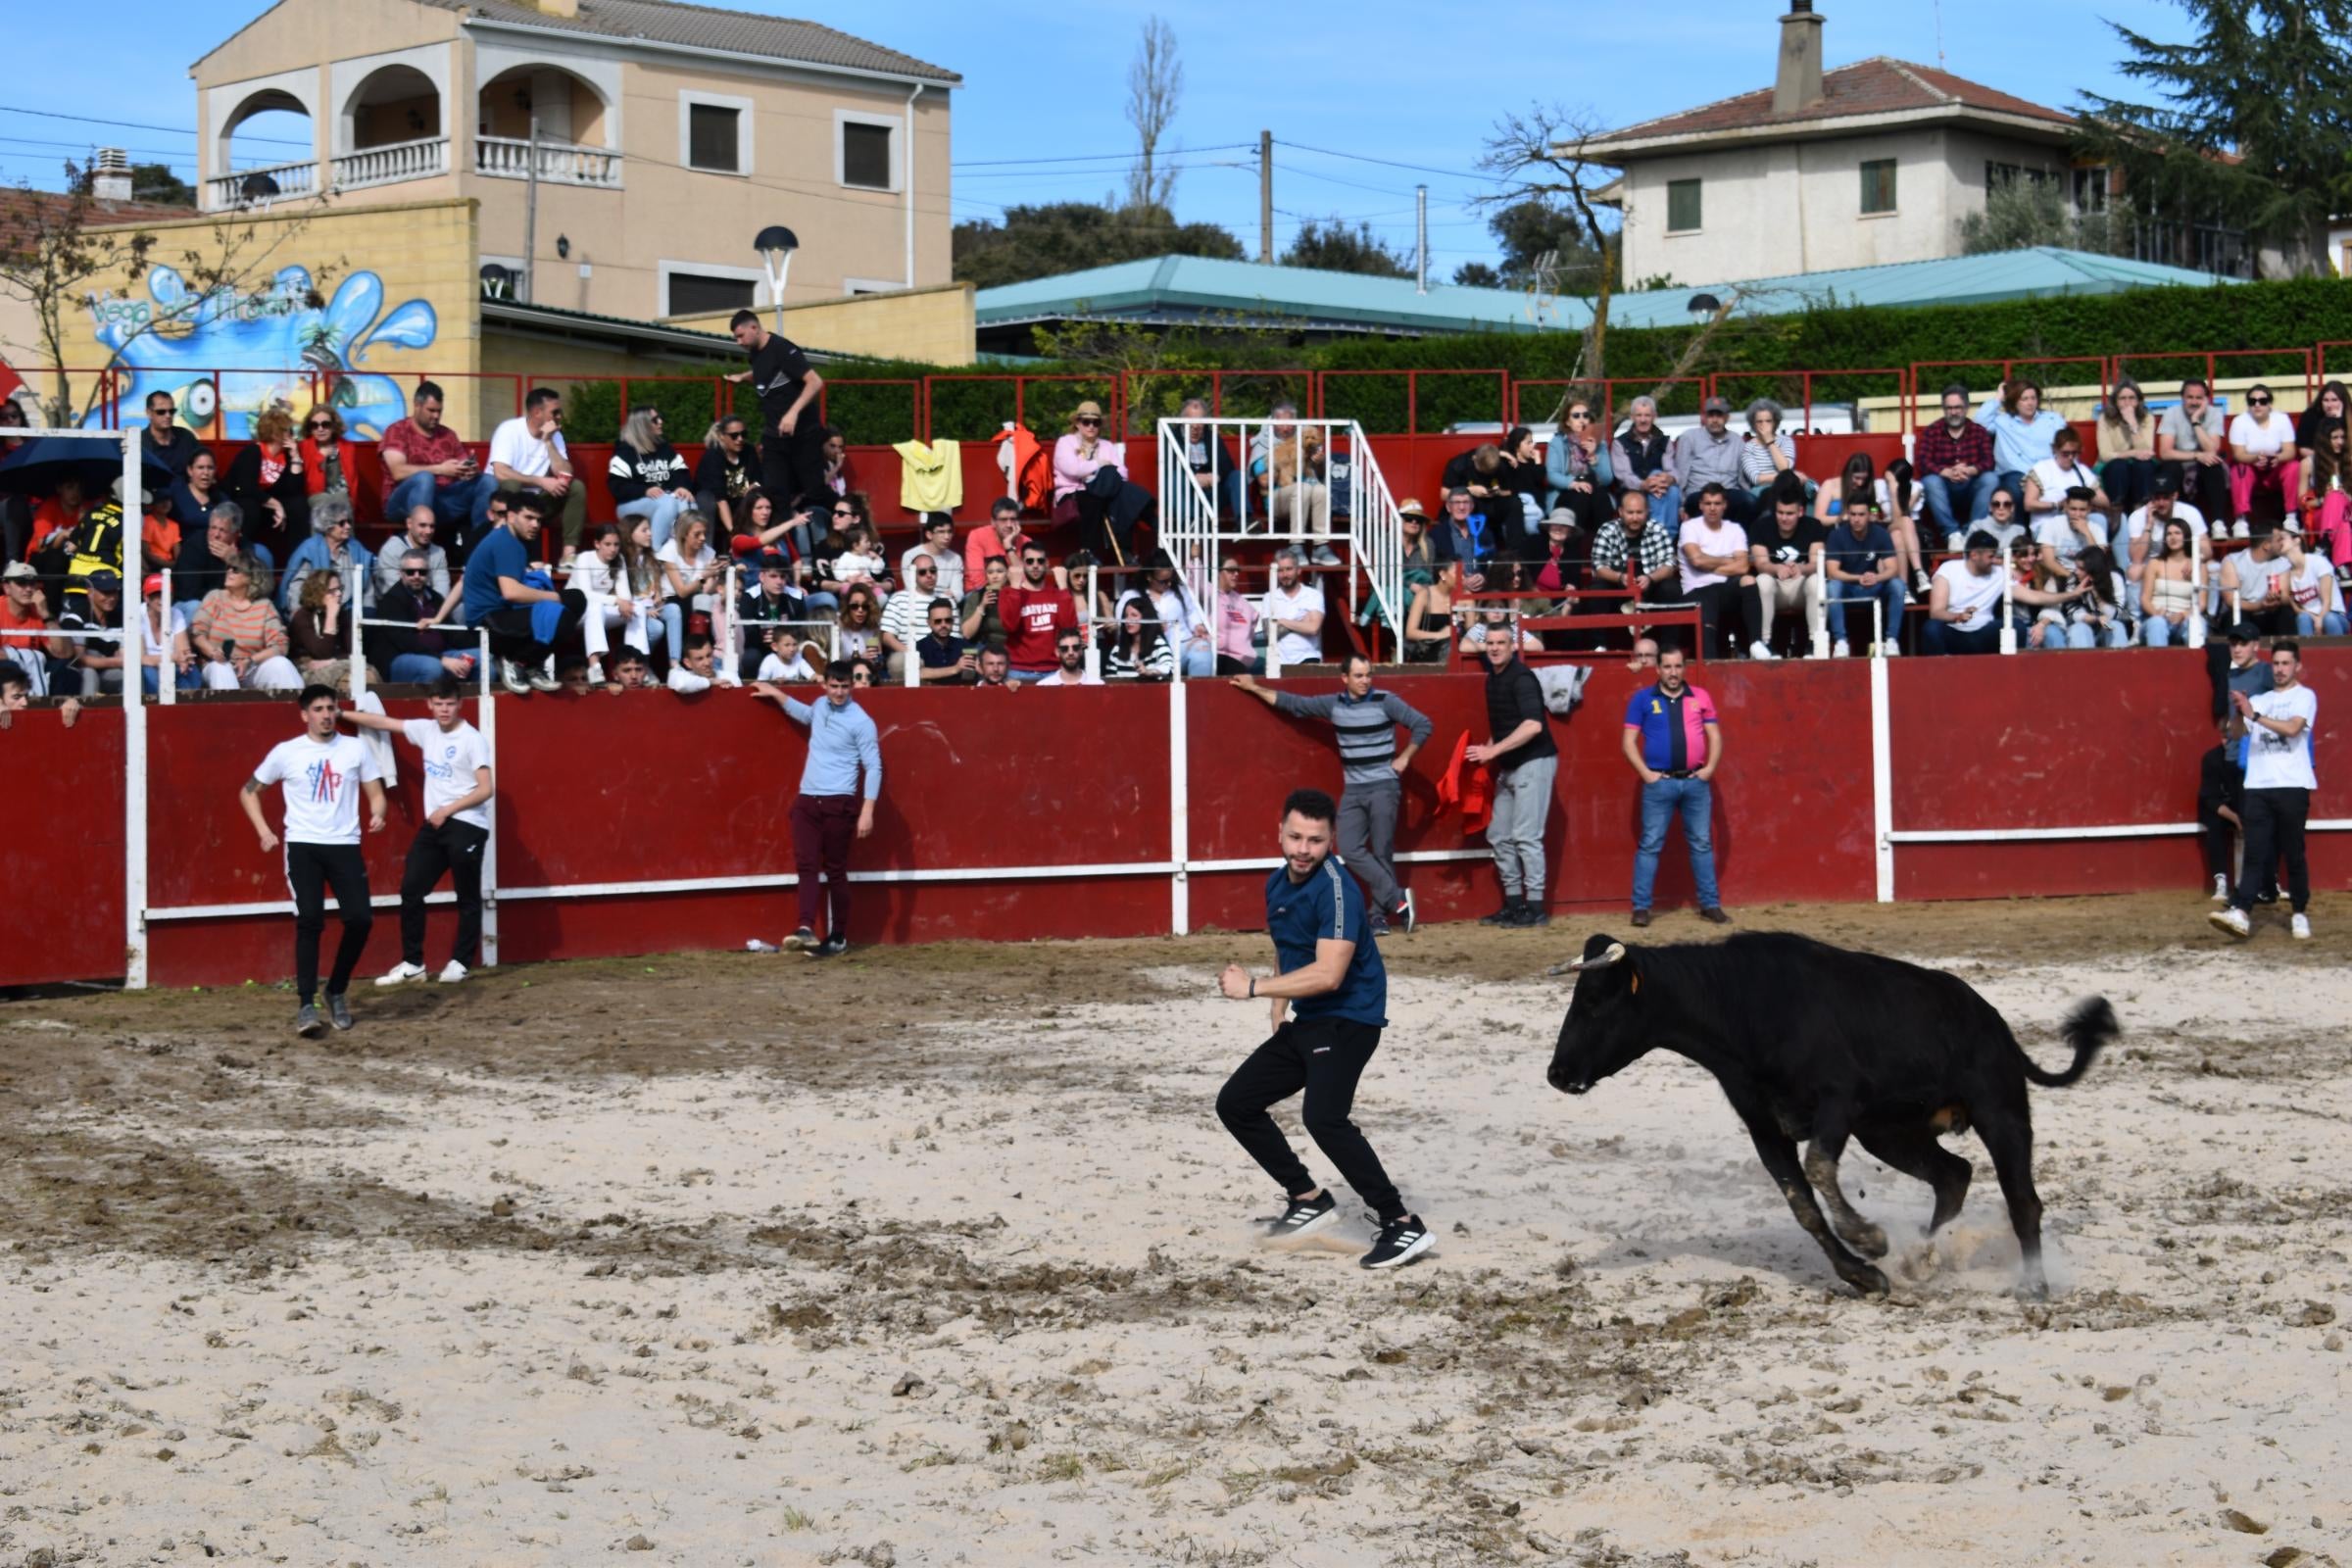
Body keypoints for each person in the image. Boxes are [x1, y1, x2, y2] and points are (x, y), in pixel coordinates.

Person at [1213, 786, 1432, 1271]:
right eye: (1295, 837)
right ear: (1280, 833)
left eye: (1314, 840)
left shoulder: (1338, 890)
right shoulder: (1276, 884)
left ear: (1332, 838)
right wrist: (1276, 1009)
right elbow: (1290, 946)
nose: (1302, 849)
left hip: (1351, 1016)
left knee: (1324, 1118)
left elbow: (1331, 974)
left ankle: (1402, 1223)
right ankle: (1308, 1198)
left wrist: (1253, 988)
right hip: (1309, 1019)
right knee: (1236, 1103)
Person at [1232, 658, 1431, 935]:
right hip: (1354, 789)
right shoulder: (1334, 704)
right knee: (1349, 848)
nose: (1365, 681)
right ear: (1344, 678)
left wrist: (1405, 757)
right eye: (1359, 676)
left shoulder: (1386, 701)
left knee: (1382, 850)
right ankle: (1396, 896)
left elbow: (1422, 724)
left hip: (1384, 785)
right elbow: (1294, 704)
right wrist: (1255, 688)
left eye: (1368, 675)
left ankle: (1378, 916)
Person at [238, 684, 386, 1037]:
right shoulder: (287, 752)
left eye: (330, 708)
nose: (325, 715)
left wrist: (378, 813)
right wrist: (263, 830)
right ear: (304, 714)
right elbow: (248, 792)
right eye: (318, 709)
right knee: (310, 919)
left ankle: (335, 989)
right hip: (303, 845)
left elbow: (376, 794)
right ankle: (306, 1003)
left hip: (344, 843)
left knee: (361, 919)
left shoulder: (355, 749)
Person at [338, 674, 494, 986]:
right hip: (435, 826)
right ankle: (413, 963)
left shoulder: (472, 738)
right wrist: (339, 714)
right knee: (411, 889)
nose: (445, 710)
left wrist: (447, 810)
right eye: (439, 704)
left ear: (460, 705)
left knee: (467, 895)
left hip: (466, 824)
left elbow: (486, 789)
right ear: (430, 705)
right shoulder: (426, 730)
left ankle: (460, 962)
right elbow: (383, 723)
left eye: (450, 704)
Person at [754, 660, 879, 958]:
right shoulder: (821, 706)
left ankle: (838, 937)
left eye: (844, 687)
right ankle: (806, 927)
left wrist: (867, 810)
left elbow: (873, 766)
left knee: (835, 870)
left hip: (840, 801)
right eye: (833, 686)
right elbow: (805, 714)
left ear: (852, 686)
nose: (838, 693)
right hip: (808, 800)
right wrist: (775, 693)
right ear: (825, 684)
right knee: (807, 865)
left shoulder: (861, 721)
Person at [2211, 640, 2318, 941]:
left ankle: (2299, 911)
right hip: (2259, 784)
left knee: (2293, 852)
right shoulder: (2260, 699)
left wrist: (2253, 715)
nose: (2280, 669)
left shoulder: (2305, 696)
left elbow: (2293, 729)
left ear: (2297, 666)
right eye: (2276, 664)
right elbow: (2235, 732)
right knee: (2255, 852)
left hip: (2292, 784)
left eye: (2286, 663)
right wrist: (2238, 711)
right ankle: (2241, 911)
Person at [1623, 644, 1726, 928]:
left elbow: (1715, 737)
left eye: (1678, 666)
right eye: (1667, 667)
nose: (1672, 672)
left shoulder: (1700, 696)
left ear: (1684, 668)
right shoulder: (1642, 699)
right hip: (1660, 783)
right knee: (1650, 845)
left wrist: (1709, 770)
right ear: (1657, 669)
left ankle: (1710, 904)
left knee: (1702, 844)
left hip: (1694, 782)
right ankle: (1641, 908)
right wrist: (1645, 773)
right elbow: (1628, 742)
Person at [1466, 626, 1558, 928]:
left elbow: (1533, 726)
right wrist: (1490, 749)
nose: (1494, 648)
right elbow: (1507, 725)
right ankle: (1515, 903)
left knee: (1526, 836)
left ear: (1512, 646)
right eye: (1489, 643)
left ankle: (1535, 907)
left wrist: (1492, 752)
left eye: (1500, 643)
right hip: (1512, 764)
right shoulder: (1494, 678)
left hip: (1534, 761)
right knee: (1498, 835)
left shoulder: (1521, 678)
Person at [461, 490, 587, 694]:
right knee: (563, 615)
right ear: (511, 516)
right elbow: (511, 592)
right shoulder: (505, 542)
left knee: (575, 600)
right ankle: (516, 661)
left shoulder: (511, 541)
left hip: (503, 612)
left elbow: (466, 581)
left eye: (538, 519)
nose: (535, 525)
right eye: (529, 518)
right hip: (489, 621)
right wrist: (554, 598)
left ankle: (529, 664)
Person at [727, 308, 826, 505]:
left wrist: (792, 413)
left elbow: (815, 382)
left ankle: (851, 517)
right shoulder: (755, 354)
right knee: (774, 492)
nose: (739, 342)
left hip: (803, 434)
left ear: (754, 327)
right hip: (775, 436)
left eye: (741, 336)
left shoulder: (782, 349)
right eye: (736, 338)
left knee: (814, 492)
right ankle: (779, 535)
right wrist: (743, 377)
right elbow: (768, 375)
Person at [381, 381, 496, 550]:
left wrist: (468, 470)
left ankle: (482, 548)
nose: (436, 416)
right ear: (417, 406)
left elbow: (460, 463)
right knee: (424, 480)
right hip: (401, 502)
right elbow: (397, 471)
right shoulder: (397, 431)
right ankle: (420, 552)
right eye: (431, 410)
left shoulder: (448, 435)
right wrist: (440, 469)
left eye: (439, 411)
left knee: (487, 481)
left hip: (443, 501)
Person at [490, 387, 587, 559]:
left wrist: (548, 442)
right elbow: (500, 472)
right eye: (555, 412)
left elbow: (565, 473)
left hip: (540, 502)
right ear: (537, 412)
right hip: (512, 500)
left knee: (576, 487)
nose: (559, 417)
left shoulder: (555, 435)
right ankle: (508, 549)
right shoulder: (509, 430)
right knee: (511, 485)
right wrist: (541, 481)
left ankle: (569, 555)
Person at [191, 552, 303, 690]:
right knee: (222, 668)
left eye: (236, 569)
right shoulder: (215, 597)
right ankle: (232, 711)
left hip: (251, 667)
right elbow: (197, 633)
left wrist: (250, 661)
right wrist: (213, 652)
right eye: (228, 568)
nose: (229, 571)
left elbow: (280, 645)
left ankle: (297, 710)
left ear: (251, 577)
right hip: (216, 663)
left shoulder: (264, 605)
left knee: (281, 664)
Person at [375, 549, 477, 685]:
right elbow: (405, 642)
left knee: (485, 658)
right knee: (433, 667)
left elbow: (453, 633)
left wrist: (480, 646)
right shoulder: (391, 601)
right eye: (410, 572)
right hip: (403, 657)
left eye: (422, 572)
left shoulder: (435, 598)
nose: (416, 576)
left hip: (440, 654)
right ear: (401, 573)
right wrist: (442, 660)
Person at [1745, 490, 1826, 660]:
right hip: (1776, 586)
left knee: (1816, 581)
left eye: (1790, 513)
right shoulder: (1761, 526)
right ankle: (1765, 643)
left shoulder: (1813, 526)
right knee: (1762, 580)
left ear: (1800, 512)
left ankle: (1814, 643)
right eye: (1780, 512)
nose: (1784, 518)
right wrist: (1777, 569)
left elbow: (1817, 563)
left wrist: (1801, 569)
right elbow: (1760, 564)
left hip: (1800, 585)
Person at [225, 406, 310, 564]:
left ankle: (298, 561)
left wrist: (296, 456)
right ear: (275, 433)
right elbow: (246, 488)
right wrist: (276, 505)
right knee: (250, 506)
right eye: (288, 430)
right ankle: (241, 558)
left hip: (269, 508)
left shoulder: (287, 457)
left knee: (299, 504)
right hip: (249, 503)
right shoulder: (253, 452)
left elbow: (295, 490)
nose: (292, 435)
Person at [1916, 381, 1999, 541]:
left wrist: (1970, 470)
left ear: (1966, 408)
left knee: (1991, 479)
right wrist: (1946, 472)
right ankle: (1952, 534)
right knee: (1930, 481)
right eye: (1949, 408)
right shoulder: (1932, 431)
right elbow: (1923, 462)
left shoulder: (1979, 432)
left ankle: (1971, 532)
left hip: (1971, 487)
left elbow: (1989, 461)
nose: (1953, 412)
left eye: (1958, 407)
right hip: (1943, 488)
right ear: (1944, 409)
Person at [607, 406, 697, 550]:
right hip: (631, 503)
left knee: (688, 504)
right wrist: (645, 491)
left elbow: (681, 472)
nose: (660, 422)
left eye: (660, 418)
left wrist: (682, 487)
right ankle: (657, 552)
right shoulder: (625, 452)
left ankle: (687, 554)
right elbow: (617, 486)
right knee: (668, 503)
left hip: (666, 498)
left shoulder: (665, 448)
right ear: (642, 425)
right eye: (655, 420)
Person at [1678, 483, 1751, 659]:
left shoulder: (1735, 529)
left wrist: (1710, 563)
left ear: (1725, 505)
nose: (1712, 508)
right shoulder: (1689, 527)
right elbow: (1697, 560)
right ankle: (1708, 662)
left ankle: (1754, 646)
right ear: (1701, 505)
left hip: (1725, 588)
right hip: (1696, 589)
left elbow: (1743, 566)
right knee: (1709, 596)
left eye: (1717, 503)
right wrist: (1727, 560)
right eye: (1708, 503)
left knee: (1749, 582)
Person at [1822, 501, 1904, 657]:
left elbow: (1893, 569)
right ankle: (1841, 642)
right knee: (1832, 586)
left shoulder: (1880, 533)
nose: (1856, 519)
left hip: (1873, 586)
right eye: (1853, 514)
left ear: (1869, 516)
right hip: (1848, 587)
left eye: (1861, 514)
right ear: (1847, 515)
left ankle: (1892, 641)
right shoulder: (1837, 535)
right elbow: (1832, 572)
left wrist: (1876, 577)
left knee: (1898, 585)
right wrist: (1858, 578)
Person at [1591, 489, 1678, 632]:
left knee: (1670, 588)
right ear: (1620, 512)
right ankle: (1600, 647)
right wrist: (1620, 577)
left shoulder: (1657, 529)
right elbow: (1599, 567)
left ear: (1647, 512)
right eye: (1630, 513)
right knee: (1598, 589)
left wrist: (1650, 578)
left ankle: (1667, 647)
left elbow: (1669, 564)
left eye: (1639, 512)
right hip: (1618, 585)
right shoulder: (1607, 530)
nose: (1635, 518)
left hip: (1649, 584)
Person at [2157, 378, 2233, 533]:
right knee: (2170, 468)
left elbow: (2212, 450)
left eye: (2199, 398)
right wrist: (2197, 455)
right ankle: (2173, 524)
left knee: (2213, 465)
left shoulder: (2214, 414)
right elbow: (2165, 452)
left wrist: (2195, 421)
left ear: (2205, 399)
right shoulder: (2171, 414)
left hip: (2202, 468)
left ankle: (2218, 522)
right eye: (2190, 397)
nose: (2194, 402)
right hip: (2180, 464)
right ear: (2182, 398)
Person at [278, 494, 373, 614]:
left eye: (349, 521)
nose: (348, 526)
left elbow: (368, 589)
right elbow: (296, 588)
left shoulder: (356, 549)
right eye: (342, 523)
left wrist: (368, 613)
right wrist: (299, 617)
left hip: (351, 614)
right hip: (317, 613)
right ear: (328, 526)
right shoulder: (310, 549)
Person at [1976, 377, 2066, 502]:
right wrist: (1999, 396)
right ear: (2015, 401)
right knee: (2015, 492)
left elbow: (2067, 445)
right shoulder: (2003, 421)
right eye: (2024, 399)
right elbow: (1980, 422)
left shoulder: (2053, 419)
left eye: (2033, 398)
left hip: (2048, 473)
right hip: (2016, 474)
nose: (2030, 403)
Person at [2228, 383, 2301, 532]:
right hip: (2251, 469)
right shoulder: (2239, 421)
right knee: (2239, 469)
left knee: (2293, 467)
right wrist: (2254, 458)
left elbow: (2290, 451)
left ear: (2270, 403)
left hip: (2275, 468)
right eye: (2252, 401)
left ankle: (2291, 517)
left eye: (2262, 401)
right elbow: (2238, 454)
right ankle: (2241, 520)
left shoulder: (2282, 419)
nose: (2257, 405)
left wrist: (2277, 458)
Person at [655, 511, 724, 660]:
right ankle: (692, 655)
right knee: (689, 605)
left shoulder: (708, 552)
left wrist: (716, 576)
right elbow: (681, 591)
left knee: (716, 601)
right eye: (697, 534)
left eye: (704, 533)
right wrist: (704, 576)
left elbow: (707, 591)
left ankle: (708, 655)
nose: (703, 538)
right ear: (684, 534)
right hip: (672, 600)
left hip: (697, 599)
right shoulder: (670, 550)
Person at [1670, 396, 1750, 522]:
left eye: (1719, 415)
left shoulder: (1737, 441)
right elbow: (1681, 476)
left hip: (1727, 493)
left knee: (1748, 502)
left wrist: (1748, 495)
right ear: (1704, 417)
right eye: (1711, 415)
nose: (1714, 420)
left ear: (1727, 418)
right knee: (1700, 503)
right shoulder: (1689, 437)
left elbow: (1742, 480)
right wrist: (1681, 505)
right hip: (1698, 493)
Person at [49, 568, 126, 696]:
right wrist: (117, 661)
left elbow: (122, 652)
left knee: (130, 676)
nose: (111, 598)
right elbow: (80, 660)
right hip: (78, 674)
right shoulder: (76, 616)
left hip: (107, 671)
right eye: (105, 592)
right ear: (90, 592)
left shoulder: (119, 617)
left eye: (114, 592)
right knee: (89, 673)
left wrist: (120, 660)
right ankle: (88, 713)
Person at [371, 504, 458, 614]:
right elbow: (396, 591)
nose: (428, 531)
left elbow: (442, 592)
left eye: (432, 526)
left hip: (430, 607)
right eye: (423, 525)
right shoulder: (391, 550)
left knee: (460, 610)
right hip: (396, 610)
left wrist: (432, 612)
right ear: (409, 524)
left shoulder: (438, 552)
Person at [1543, 398, 1615, 530]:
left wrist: (1592, 455)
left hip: (1595, 490)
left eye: (1585, 416)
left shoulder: (1600, 444)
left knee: (1600, 497)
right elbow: (1552, 475)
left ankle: (1605, 545)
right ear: (1567, 422)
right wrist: (1573, 483)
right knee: (1581, 496)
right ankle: (1574, 546)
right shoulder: (1558, 442)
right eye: (1576, 416)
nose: (1582, 420)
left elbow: (1607, 479)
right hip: (1567, 490)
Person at [1612, 395, 1680, 530]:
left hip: (1661, 488)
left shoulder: (1665, 442)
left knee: (1673, 491)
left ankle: (1666, 535)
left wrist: (1668, 479)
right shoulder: (1620, 443)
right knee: (1659, 483)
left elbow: (1671, 469)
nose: (1643, 420)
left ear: (1654, 416)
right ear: (1632, 417)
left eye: (1647, 415)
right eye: (1639, 415)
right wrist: (1644, 484)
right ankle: (1660, 534)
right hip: (1632, 490)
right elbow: (1624, 476)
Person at [2197, 714, 2245, 905]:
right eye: (2225, 736)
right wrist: (2236, 819)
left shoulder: (2248, 758)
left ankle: (2268, 880)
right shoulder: (2212, 759)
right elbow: (2211, 800)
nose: (2228, 740)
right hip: (2223, 809)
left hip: (2247, 806)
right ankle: (2221, 880)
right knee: (2214, 825)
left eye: (2231, 736)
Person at [2096, 377, 2159, 514]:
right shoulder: (2105, 419)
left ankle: (2141, 509)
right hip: (2113, 465)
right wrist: (2132, 453)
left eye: (2131, 398)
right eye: (2122, 398)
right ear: (2115, 401)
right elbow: (2105, 455)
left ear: (2138, 400)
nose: (2127, 403)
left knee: (2144, 465)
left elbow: (2147, 451)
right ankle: (2117, 511)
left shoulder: (2147, 418)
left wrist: (2133, 425)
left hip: (2139, 463)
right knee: (2119, 466)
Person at [2222, 526, 2298, 638]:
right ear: (2266, 545)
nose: (2282, 543)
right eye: (2278, 540)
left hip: (2271, 612)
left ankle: (2288, 650)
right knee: (2234, 615)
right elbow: (2231, 600)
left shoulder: (2282, 562)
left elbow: (2285, 596)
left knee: (2285, 612)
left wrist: (2275, 600)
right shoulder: (2233, 561)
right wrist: (2260, 605)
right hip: (2245, 611)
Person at [1736, 399, 1811, 513]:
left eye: (1768, 421)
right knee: (1770, 494)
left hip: (1788, 485)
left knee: (1809, 488)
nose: (1764, 425)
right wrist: (1790, 477)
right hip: (1763, 489)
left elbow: (1785, 468)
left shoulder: (1785, 441)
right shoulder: (1748, 447)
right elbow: (1756, 478)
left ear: (1775, 422)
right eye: (1759, 422)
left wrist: (1770, 442)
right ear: (1753, 424)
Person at [2022, 429, 2109, 525]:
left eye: (2074, 453)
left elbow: (2105, 501)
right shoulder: (2041, 469)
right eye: (2065, 453)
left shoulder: (2082, 471)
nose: (2071, 457)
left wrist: (2084, 496)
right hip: (2049, 523)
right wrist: (2057, 505)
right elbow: (2029, 504)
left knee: (2100, 519)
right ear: (2055, 449)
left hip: (2079, 522)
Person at [1258, 547, 1327, 667]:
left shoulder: (1313, 595)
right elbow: (1269, 634)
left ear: (1298, 570)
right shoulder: (1269, 597)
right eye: (1280, 570)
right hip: (1278, 661)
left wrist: (1282, 621)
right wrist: (1300, 622)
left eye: (1289, 569)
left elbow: (1313, 628)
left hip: (1308, 657)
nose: (1285, 574)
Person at [877, 553, 943, 680]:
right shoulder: (898, 599)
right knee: (898, 662)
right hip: (910, 655)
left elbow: (955, 636)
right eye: (922, 572)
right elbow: (887, 637)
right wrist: (913, 655)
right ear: (913, 575)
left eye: (933, 570)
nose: (929, 575)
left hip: (941, 654)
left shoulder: (947, 600)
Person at [2139, 517, 2203, 647]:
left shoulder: (2198, 566)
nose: (2172, 537)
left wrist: (2183, 615)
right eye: (2169, 534)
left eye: (2177, 533)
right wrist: (2156, 613)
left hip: (2183, 619)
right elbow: (2145, 599)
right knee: (2157, 623)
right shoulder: (2155, 563)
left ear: (2186, 536)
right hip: (2157, 617)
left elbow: (2201, 603)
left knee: (2197, 622)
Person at [694, 415, 759, 535]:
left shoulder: (749, 451)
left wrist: (755, 486)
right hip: (715, 507)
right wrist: (734, 534)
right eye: (734, 436)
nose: (740, 439)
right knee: (706, 500)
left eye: (743, 434)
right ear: (722, 436)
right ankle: (707, 548)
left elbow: (758, 478)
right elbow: (720, 500)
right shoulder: (713, 457)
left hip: (740, 505)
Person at [1210, 558, 1262, 674]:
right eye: (1231, 570)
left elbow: (1252, 630)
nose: (1236, 574)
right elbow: (1195, 582)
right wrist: (1195, 559)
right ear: (1218, 572)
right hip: (1220, 656)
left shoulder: (1244, 603)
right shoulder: (1209, 594)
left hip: (1245, 659)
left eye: (1237, 570)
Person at [963, 497, 1029, 586]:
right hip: (981, 593)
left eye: (1013, 519)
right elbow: (977, 579)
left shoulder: (1026, 542)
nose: (1009, 525)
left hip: (1014, 592)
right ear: (993, 522)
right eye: (1003, 520)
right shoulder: (977, 536)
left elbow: (1026, 581)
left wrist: (1009, 548)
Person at [1102, 597, 1172, 681]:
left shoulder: (1158, 643)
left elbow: (1168, 667)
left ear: (1146, 618)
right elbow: (1110, 680)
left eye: (1134, 615)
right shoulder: (1117, 649)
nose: (1128, 620)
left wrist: (1149, 672)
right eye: (1126, 616)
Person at [900, 514, 965, 603]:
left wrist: (952, 596)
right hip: (918, 603)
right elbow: (911, 588)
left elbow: (958, 593)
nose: (947, 537)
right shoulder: (910, 555)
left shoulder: (955, 559)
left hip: (946, 605)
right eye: (941, 532)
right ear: (929, 534)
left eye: (949, 532)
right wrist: (942, 595)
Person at [139, 389, 203, 477]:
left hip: (183, 490)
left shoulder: (186, 437)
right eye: (161, 412)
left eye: (172, 411)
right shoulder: (139, 443)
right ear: (149, 413)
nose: (168, 416)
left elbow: (202, 466)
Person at [913, 599, 974, 684]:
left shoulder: (964, 646)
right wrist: (955, 669)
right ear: (929, 623)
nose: (943, 625)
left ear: (953, 621)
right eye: (938, 621)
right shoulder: (919, 647)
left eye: (948, 620)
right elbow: (918, 673)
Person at [665, 630, 739, 693]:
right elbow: (681, 685)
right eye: (699, 659)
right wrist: (711, 682)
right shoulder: (679, 676)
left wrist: (729, 692)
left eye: (709, 656)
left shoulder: (730, 677)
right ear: (687, 663)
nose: (707, 663)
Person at [1032, 627, 1103, 686]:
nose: (1070, 652)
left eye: (1075, 647)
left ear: (1081, 650)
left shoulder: (1098, 685)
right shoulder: (1043, 686)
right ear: (1057, 652)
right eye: (1064, 649)